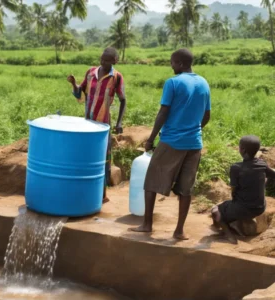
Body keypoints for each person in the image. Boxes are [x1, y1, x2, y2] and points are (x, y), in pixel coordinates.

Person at [130, 49, 211, 240]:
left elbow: (163, 112)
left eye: (173, 62)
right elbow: (206, 116)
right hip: (194, 144)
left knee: (151, 182)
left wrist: (151, 139)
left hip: (172, 141)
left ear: (181, 63)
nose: (171, 66)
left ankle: (147, 225)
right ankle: (179, 231)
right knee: (186, 188)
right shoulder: (203, 82)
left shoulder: (173, 82)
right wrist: (193, 129)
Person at [67, 47, 126, 203]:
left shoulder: (117, 77)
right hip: (88, 123)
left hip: (103, 125)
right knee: (86, 156)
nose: (103, 62)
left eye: (107, 60)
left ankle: (101, 194)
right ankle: (86, 190)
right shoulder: (91, 72)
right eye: (102, 58)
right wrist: (73, 84)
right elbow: (80, 93)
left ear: (115, 61)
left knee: (103, 158)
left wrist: (119, 122)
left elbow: (123, 100)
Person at [211, 135, 275, 244]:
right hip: (260, 207)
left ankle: (229, 236)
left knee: (215, 210)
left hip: (243, 208)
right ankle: (238, 224)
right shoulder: (262, 165)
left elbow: (233, 189)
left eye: (239, 146)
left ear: (243, 150)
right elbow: (273, 174)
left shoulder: (236, 167)